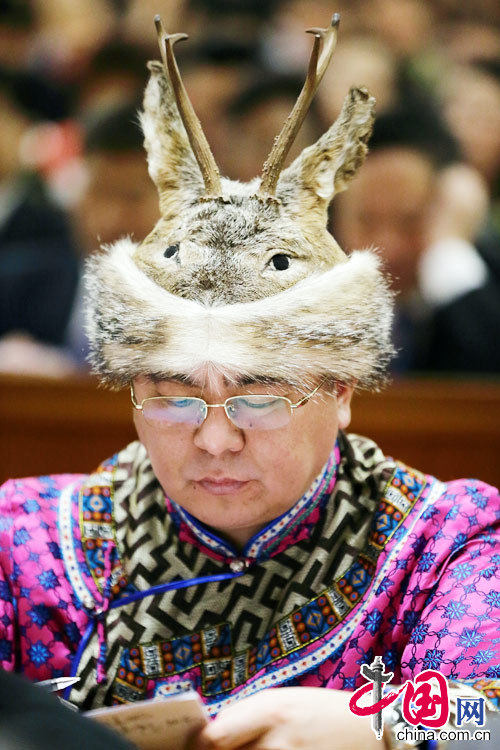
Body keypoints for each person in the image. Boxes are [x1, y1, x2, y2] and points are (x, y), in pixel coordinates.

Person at [0, 16, 499, 750]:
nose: (214, 436)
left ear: (341, 390)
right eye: (172, 396)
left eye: (257, 397)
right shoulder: (30, 539)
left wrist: (379, 723)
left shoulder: (440, 540)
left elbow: (491, 717)